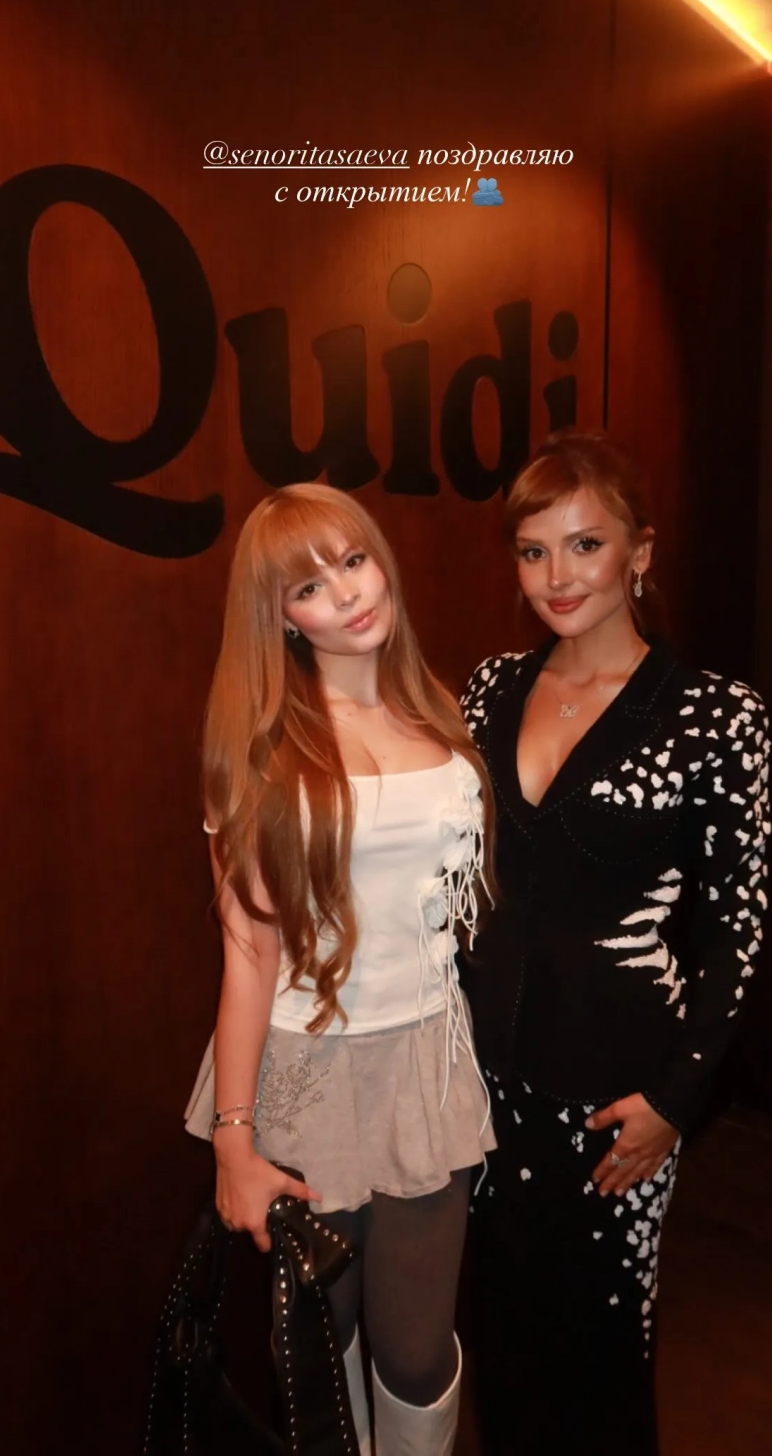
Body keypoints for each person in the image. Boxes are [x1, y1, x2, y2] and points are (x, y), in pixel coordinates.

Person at [460, 431, 770, 1454]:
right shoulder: (487, 689)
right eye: (533, 549)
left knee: (598, 1367)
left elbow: (735, 925)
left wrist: (677, 1101)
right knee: (501, 1354)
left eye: (584, 544)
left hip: (617, 1099)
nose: (557, 575)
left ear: (640, 550)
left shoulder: (715, 715)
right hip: (481, 1091)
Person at [184, 483, 496, 1455]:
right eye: (309, 586)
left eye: (354, 560)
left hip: (426, 1066)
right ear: (282, 617)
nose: (348, 593)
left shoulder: (439, 712)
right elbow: (248, 952)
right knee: (322, 1345)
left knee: (414, 1351)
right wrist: (233, 1141)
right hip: (309, 1071)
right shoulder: (263, 748)